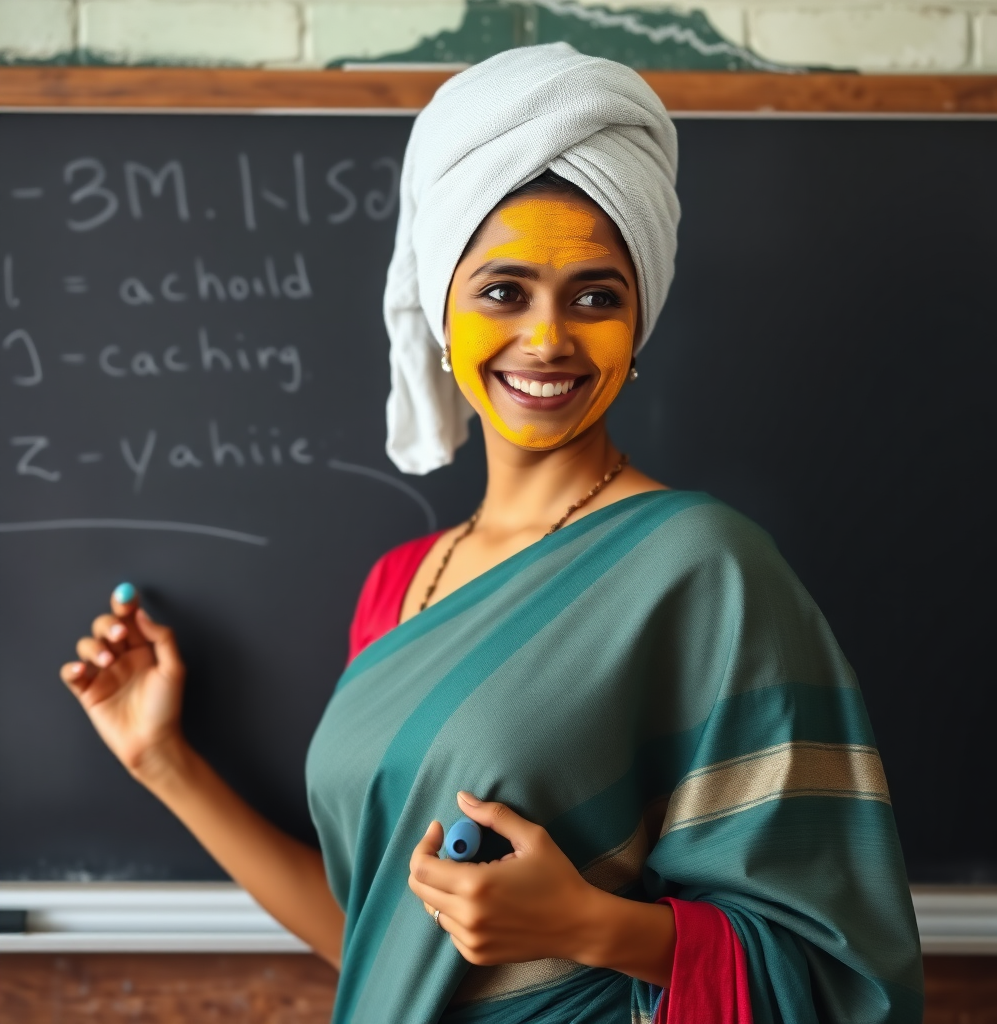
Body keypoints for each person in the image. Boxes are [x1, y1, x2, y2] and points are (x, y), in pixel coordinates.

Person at [59, 44, 923, 1024]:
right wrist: (162, 761)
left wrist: (586, 923)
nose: (548, 338)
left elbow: (834, 976)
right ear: (440, 312)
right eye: (502, 291)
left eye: (594, 296)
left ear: (639, 321)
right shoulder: (402, 586)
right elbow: (387, 947)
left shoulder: (705, 567)